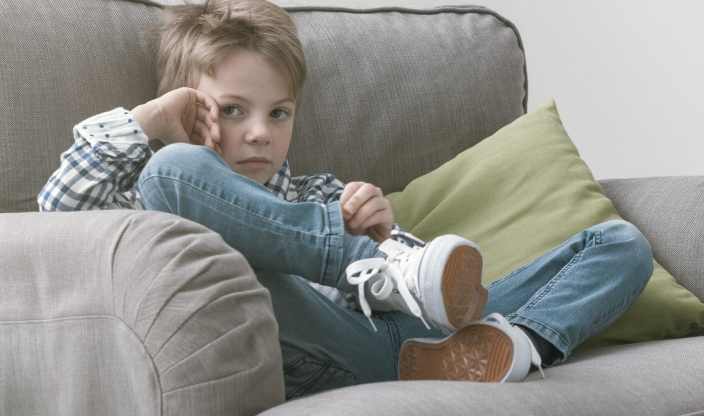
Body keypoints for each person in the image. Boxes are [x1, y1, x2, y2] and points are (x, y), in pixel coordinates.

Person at [38, 0, 654, 400]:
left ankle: (512, 350)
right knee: (174, 174)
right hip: (329, 351)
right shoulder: (155, 193)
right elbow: (57, 210)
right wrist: (150, 122)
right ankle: (366, 266)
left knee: (622, 244)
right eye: (232, 111)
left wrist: (390, 238)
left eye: (278, 113)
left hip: (415, 339)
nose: (260, 132)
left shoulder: (319, 193)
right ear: (188, 105)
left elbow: (440, 296)